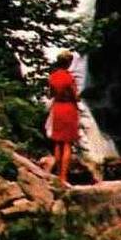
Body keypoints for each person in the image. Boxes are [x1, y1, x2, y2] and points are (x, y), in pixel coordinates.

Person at [46, 51, 80, 186]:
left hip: (57, 108)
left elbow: (50, 94)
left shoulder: (52, 77)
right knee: (67, 144)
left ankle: (58, 174)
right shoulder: (69, 78)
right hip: (69, 109)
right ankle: (64, 178)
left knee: (57, 142)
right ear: (69, 63)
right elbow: (75, 96)